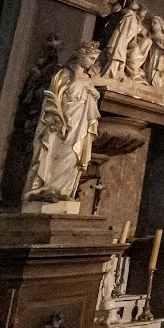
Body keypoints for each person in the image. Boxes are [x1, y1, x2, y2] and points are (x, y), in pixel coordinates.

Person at [23, 41, 103, 205]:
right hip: (64, 122)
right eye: (91, 58)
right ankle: (48, 188)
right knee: (58, 154)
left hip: (80, 124)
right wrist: (59, 120)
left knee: (74, 156)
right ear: (81, 56)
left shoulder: (88, 78)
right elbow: (53, 100)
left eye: (95, 59)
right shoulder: (64, 75)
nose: (92, 63)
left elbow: (90, 103)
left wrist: (95, 95)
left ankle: (62, 191)